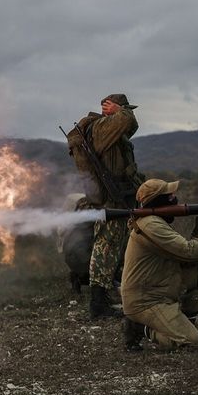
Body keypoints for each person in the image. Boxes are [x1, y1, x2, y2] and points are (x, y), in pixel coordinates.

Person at [120, 179, 198, 351]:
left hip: (158, 289)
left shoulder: (155, 220)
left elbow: (186, 258)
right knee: (193, 342)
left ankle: (187, 326)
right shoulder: (151, 225)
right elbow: (190, 251)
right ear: (157, 201)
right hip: (145, 300)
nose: (174, 198)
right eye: (169, 196)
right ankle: (140, 328)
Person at [67, 93, 144, 319]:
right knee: (106, 247)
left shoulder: (109, 128)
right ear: (113, 109)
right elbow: (127, 120)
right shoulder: (102, 127)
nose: (128, 113)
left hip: (117, 196)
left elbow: (131, 125)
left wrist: (120, 111)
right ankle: (98, 303)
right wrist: (118, 112)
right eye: (123, 108)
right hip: (110, 199)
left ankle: (104, 295)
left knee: (112, 246)